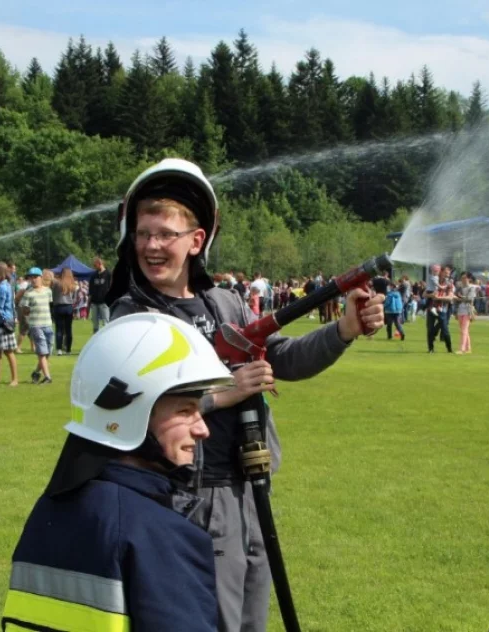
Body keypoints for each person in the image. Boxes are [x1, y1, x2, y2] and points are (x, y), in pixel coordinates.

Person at [105, 158, 384, 632]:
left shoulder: (225, 303)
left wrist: (344, 330)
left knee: (252, 621)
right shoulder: (132, 317)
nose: (152, 246)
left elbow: (285, 359)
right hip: (189, 496)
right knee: (214, 622)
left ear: (196, 241)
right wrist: (221, 395)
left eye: (165, 234)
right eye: (143, 233)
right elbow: (130, 411)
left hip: (249, 492)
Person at [4, 313, 234, 631]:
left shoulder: (49, 509)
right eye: (185, 411)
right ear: (130, 415)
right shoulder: (157, 533)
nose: (202, 428)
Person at [20, 267, 54, 384]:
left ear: (41, 278)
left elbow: (49, 305)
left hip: (48, 324)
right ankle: (47, 377)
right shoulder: (28, 293)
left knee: (48, 352)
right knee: (42, 352)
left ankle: (36, 372)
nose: (33, 280)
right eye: (31, 277)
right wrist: (27, 311)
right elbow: (24, 310)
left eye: (35, 277)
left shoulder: (48, 291)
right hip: (35, 325)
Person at [52, 268, 77, 355]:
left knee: (59, 329)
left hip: (58, 306)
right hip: (69, 307)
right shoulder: (72, 284)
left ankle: (59, 349)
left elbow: (52, 294)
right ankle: (68, 349)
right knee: (68, 330)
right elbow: (75, 298)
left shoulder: (57, 283)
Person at [455, 272, 477, 354]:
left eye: (464, 278)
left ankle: (462, 349)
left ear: (469, 279)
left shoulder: (472, 288)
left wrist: (460, 297)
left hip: (468, 310)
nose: (463, 279)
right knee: (464, 330)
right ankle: (468, 348)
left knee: (464, 330)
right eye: (462, 278)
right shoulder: (460, 288)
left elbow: (470, 299)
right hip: (460, 310)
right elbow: (456, 298)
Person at [89, 257, 111, 333]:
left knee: (105, 323)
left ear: (100, 264)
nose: (94, 268)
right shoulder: (93, 275)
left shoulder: (108, 274)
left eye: (95, 266)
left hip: (104, 303)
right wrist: (88, 304)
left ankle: (106, 340)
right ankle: (95, 340)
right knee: (95, 324)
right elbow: (90, 291)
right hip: (94, 303)